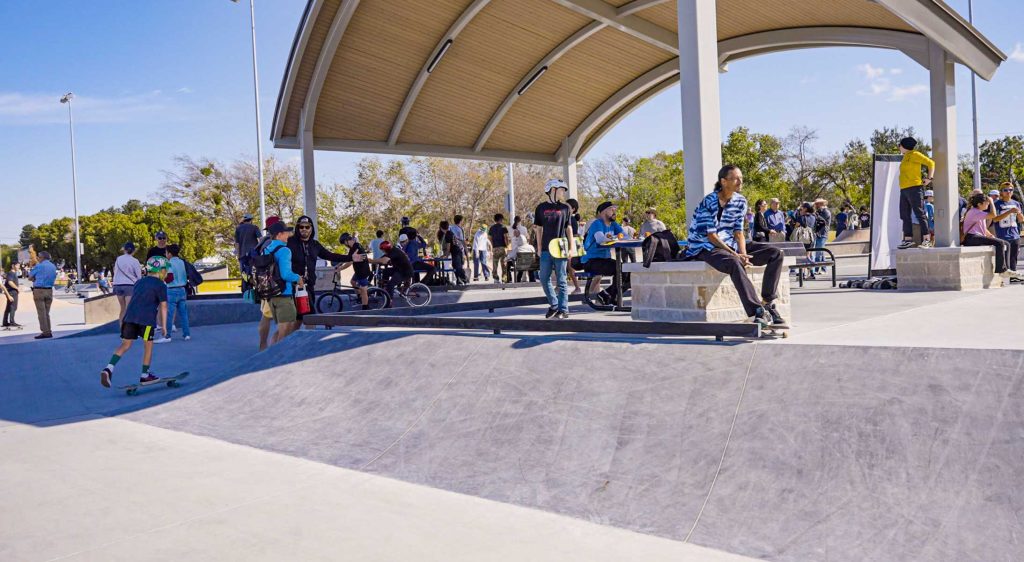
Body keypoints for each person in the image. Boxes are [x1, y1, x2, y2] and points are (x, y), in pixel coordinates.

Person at [684, 165, 786, 327]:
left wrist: (743, 254)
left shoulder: (740, 201)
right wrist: (736, 255)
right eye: (736, 179)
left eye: (741, 178)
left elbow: (738, 232)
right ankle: (756, 311)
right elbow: (711, 236)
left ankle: (767, 301)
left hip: (730, 243)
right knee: (733, 261)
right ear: (723, 182)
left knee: (776, 253)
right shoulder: (708, 202)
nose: (740, 181)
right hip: (704, 246)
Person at [99, 256, 172, 388]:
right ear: (161, 270)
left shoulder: (139, 282)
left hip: (129, 319)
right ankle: (145, 375)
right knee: (148, 346)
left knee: (125, 345)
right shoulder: (161, 285)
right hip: (146, 322)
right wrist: (164, 326)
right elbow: (164, 306)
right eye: (165, 270)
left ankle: (108, 368)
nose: (165, 273)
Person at [287, 215, 360, 326]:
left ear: (311, 228)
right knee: (298, 320)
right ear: (297, 228)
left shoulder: (314, 245)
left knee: (303, 318)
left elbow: (331, 256)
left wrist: (350, 258)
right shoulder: (290, 242)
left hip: (308, 287)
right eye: (301, 227)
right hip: (292, 287)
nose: (304, 229)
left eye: (307, 227)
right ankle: (282, 342)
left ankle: (296, 342)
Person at [533, 179, 575, 319]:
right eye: (561, 189)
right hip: (545, 248)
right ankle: (554, 305)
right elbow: (538, 229)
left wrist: (572, 247)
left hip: (561, 247)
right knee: (543, 278)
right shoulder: (540, 208)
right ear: (553, 189)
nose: (563, 192)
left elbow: (568, 228)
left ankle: (564, 309)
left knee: (561, 279)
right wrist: (538, 248)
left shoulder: (565, 208)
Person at [577, 201, 627, 306]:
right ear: (604, 212)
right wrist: (616, 237)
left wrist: (618, 237)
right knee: (621, 269)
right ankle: (608, 296)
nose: (615, 212)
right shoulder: (597, 223)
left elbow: (626, 236)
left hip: (605, 259)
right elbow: (600, 239)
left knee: (627, 271)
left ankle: (608, 295)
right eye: (612, 210)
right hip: (591, 261)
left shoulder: (614, 224)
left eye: (615, 210)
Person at [263, 221, 304, 346]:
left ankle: (271, 355)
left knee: (280, 331)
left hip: (272, 296)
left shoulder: (267, 249)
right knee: (285, 333)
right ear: (279, 234)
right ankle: (277, 361)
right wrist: (298, 278)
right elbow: (286, 274)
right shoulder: (285, 250)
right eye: (286, 233)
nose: (289, 235)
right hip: (284, 296)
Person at [961, 192, 1017, 278]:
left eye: (988, 202)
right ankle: (1001, 270)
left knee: (1006, 244)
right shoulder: (974, 212)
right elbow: (993, 215)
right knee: (1000, 243)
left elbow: (983, 228)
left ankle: (1006, 269)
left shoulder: (979, 212)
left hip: (976, 236)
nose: (988, 204)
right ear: (979, 204)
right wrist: (991, 202)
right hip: (971, 237)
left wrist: (990, 235)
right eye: (986, 202)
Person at [896, 138, 935, 249]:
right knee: (904, 214)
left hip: (915, 188)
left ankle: (927, 240)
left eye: (900, 145)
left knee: (919, 213)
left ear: (905, 146)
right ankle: (908, 239)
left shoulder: (915, 154)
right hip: (904, 189)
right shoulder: (905, 157)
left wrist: (929, 178)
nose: (899, 147)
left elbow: (931, 163)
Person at [339, 232, 386, 310]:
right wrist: (339, 264)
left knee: (363, 290)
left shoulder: (356, 247)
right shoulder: (353, 247)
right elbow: (348, 258)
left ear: (347, 240)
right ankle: (360, 298)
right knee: (353, 282)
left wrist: (340, 269)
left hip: (362, 271)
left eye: (344, 243)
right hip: (358, 271)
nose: (345, 245)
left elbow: (350, 262)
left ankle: (365, 307)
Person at [992, 182, 1023, 275]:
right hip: (1002, 235)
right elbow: (995, 219)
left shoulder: (1017, 203)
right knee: (1004, 258)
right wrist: (1009, 211)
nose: (1008, 192)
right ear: (1001, 192)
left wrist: (1019, 214)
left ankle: (1014, 276)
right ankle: (1002, 277)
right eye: (1005, 190)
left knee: (1013, 258)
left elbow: (1021, 220)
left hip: (1015, 234)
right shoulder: (996, 204)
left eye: (1010, 190)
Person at [28, 251, 58, 339]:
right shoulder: (53, 266)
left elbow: (30, 277)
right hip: (49, 291)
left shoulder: (39, 266)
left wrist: (35, 279)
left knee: (41, 313)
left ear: (42, 258)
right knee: (47, 313)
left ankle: (45, 332)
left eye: (38, 257)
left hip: (39, 290)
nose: (37, 258)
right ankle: (48, 330)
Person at [112, 242, 143, 326]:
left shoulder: (118, 259)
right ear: (133, 251)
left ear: (124, 250)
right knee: (130, 309)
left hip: (118, 285)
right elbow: (139, 276)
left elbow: (115, 271)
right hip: (129, 286)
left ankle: (122, 328)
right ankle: (130, 330)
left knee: (122, 308)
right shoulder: (135, 261)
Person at [165, 244, 191, 341]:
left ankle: (167, 335)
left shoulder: (169, 263)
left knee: (170, 314)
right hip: (182, 289)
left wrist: (163, 277)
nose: (166, 254)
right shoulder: (182, 262)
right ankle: (186, 334)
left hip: (172, 290)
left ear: (170, 254)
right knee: (183, 313)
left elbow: (169, 277)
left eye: (166, 252)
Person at [379, 240, 414, 307]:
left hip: (405, 272)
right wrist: (378, 261)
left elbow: (386, 259)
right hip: (398, 269)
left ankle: (390, 302)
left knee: (391, 284)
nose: (382, 251)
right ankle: (385, 287)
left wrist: (373, 261)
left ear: (386, 248)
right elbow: (382, 258)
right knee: (385, 271)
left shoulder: (394, 252)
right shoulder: (390, 251)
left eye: (382, 250)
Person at [566, 198, 583, 295]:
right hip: (570, 246)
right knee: (567, 267)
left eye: (568, 207)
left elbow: (573, 235)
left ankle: (577, 287)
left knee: (570, 267)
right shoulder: (570, 219)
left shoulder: (570, 219)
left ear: (573, 209)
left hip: (571, 246)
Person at [489, 214, 510, 283]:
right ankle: (504, 279)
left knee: (495, 264)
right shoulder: (503, 227)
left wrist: (492, 246)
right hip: (503, 247)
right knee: (504, 264)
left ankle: (495, 278)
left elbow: (490, 238)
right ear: (501, 219)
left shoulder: (491, 228)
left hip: (495, 248)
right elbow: (505, 237)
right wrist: (507, 246)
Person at [812, 199, 832, 274]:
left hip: (823, 234)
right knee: (821, 252)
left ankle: (817, 269)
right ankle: (823, 269)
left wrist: (815, 214)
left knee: (818, 252)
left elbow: (823, 221)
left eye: (817, 204)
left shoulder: (826, 212)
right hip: (818, 233)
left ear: (821, 204)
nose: (816, 205)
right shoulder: (819, 212)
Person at [450, 215, 470, 283]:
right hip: (459, 249)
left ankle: (458, 280)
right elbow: (462, 240)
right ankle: (464, 279)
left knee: (455, 265)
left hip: (452, 248)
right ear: (461, 221)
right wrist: (466, 250)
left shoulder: (451, 227)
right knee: (460, 265)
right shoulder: (459, 229)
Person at [2, 264, 20, 329]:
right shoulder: (11, 273)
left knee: (9, 307)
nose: (18, 267)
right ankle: (12, 322)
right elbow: (10, 282)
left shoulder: (12, 273)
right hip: (12, 292)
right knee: (13, 307)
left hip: (11, 292)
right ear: (13, 266)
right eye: (17, 265)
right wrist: (17, 288)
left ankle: (5, 322)